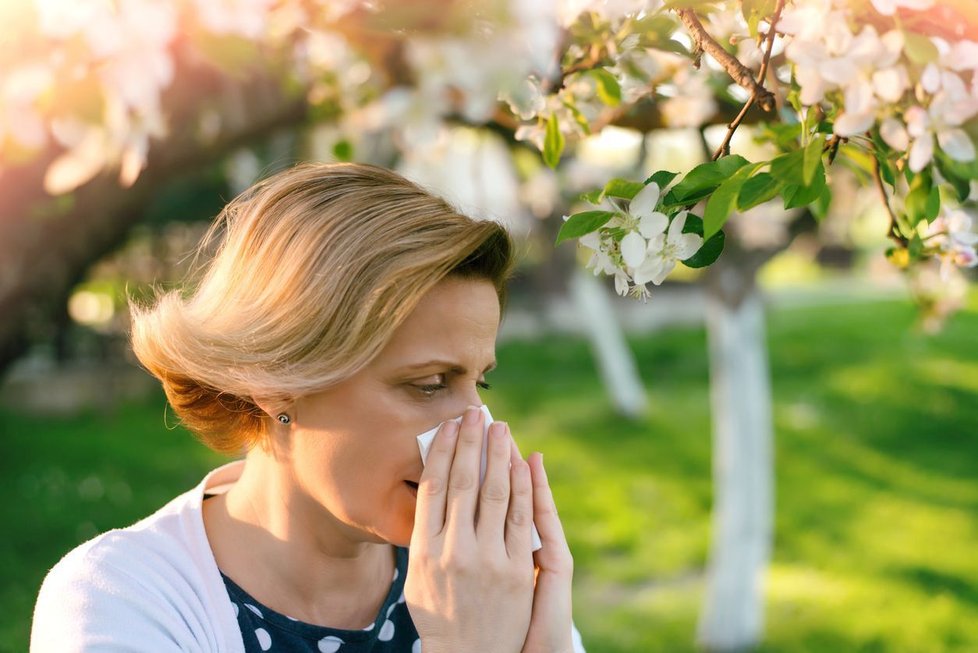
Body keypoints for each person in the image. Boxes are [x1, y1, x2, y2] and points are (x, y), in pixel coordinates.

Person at [31, 162, 582, 652]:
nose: (476, 430)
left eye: (479, 384)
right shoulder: (123, 599)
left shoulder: (483, 577)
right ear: (276, 380)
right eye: (430, 383)